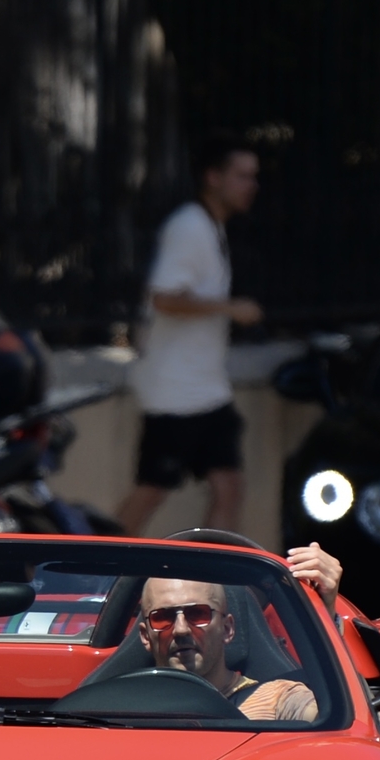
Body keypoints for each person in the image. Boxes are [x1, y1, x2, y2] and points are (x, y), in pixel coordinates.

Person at [118, 134, 263, 535]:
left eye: (254, 177)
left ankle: (215, 583)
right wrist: (230, 308)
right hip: (175, 393)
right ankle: (94, 574)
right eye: (241, 176)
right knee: (152, 489)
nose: (250, 185)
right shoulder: (189, 227)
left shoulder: (212, 229)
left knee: (229, 487)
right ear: (213, 178)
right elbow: (164, 298)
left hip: (207, 391)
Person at [135, 543, 343, 723]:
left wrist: (326, 611)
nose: (181, 629)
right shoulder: (119, 710)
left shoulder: (278, 700)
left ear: (227, 629)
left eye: (198, 614)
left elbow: (337, 721)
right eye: (163, 617)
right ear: (145, 636)